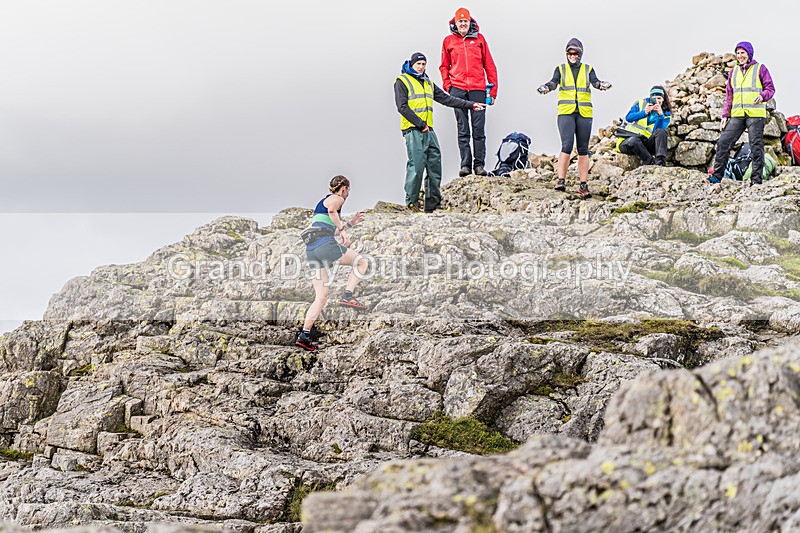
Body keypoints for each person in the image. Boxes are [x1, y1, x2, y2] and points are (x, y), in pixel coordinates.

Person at [395, 52, 486, 213]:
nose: (421, 67)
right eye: (418, 64)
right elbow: (402, 107)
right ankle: (412, 203)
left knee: (434, 165)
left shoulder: (428, 82)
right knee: (416, 166)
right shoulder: (402, 81)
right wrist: (420, 124)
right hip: (413, 129)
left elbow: (446, 99)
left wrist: (471, 105)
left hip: (429, 130)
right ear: (412, 64)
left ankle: (432, 204)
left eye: (424, 64)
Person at [295, 175, 367, 352]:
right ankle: (347, 296)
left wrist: (349, 224)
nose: (348, 194)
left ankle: (304, 335)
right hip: (324, 245)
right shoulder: (336, 199)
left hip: (312, 249)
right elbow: (333, 213)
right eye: (348, 190)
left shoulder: (322, 203)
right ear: (344, 188)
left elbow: (329, 228)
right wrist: (344, 231)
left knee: (321, 295)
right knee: (361, 262)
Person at [538, 38, 611, 198]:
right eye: (570, 53)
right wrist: (546, 88)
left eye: (576, 53)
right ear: (566, 54)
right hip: (566, 112)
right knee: (567, 145)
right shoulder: (560, 69)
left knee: (583, 149)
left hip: (584, 113)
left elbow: (595, 82)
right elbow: (553, 83)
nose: (573, 55)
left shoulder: (588, 69)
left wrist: (602, 85)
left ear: (580, 54)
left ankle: (583, 185)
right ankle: (561, 180)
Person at [439, 7, 498, 177]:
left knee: (478, 129)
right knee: (463, 129)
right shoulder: (448, 41)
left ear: (470, 22)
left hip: (478, 89)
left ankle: (479, 165)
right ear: (455, 23)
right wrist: (448, 86)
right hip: (457, 89)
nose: (463, 24)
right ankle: (465, 165)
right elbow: (444, 66)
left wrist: (492, 92)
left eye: (465, 21)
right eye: (460, 21)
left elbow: (490, 65)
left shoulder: (479, 39)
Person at [708, 41, 775, 186]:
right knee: (723, 142)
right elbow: (729, 96)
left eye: (743, 53)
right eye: (738, 53)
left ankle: (756, 180)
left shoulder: (760, 69)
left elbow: (770, 88)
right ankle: (717, 176)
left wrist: (763, 96)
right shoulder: (733, 72)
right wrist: (725, 115)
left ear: (749, 54)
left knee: (756, 145)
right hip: (737, 114)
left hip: (755, 114)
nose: (740, 56)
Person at [616, 86, 672, 166]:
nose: (657, 101)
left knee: (661, 132)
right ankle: (650, 162)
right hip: (627, 141)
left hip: (645, 144)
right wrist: (644, 113)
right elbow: (629, 117)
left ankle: (660, 162)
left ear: (663, 99)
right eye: (654, 98)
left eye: (659, 98)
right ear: (650, 97)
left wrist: (660, 116)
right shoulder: (641, 104)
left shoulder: (666, 116)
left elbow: (658, 131)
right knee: (633, 140)